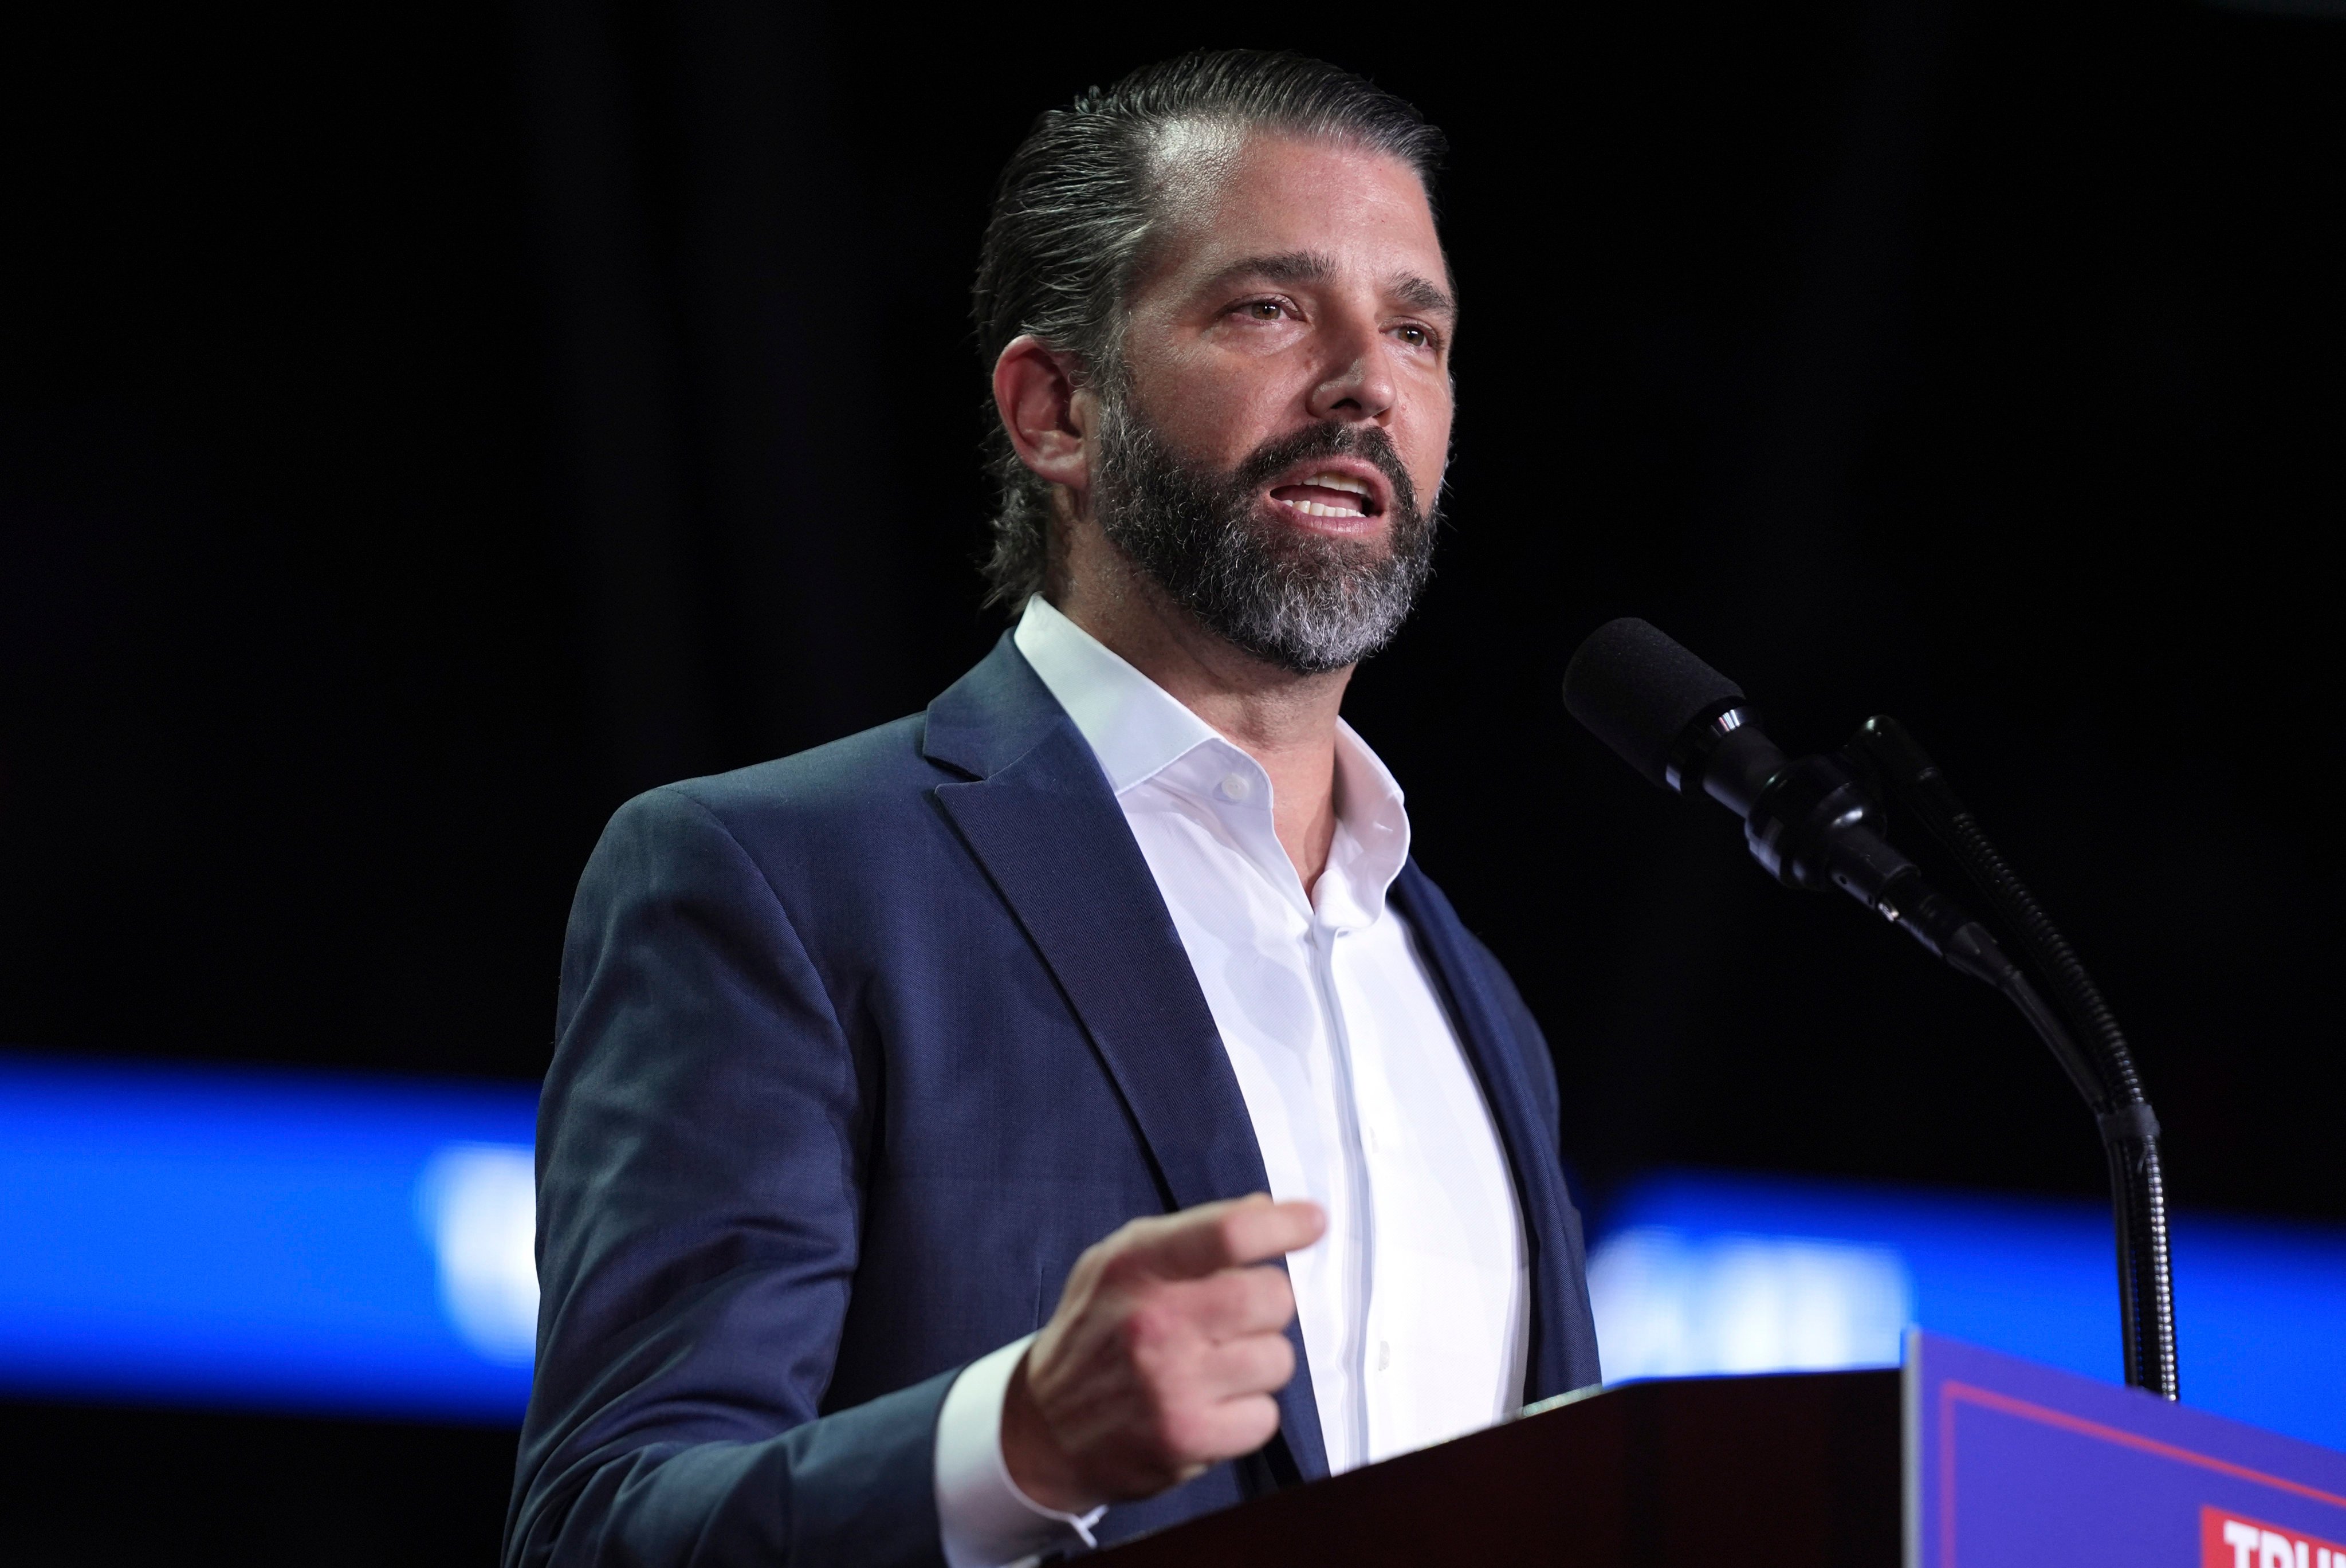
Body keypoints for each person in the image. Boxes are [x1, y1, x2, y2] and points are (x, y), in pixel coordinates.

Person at [505, 49, 1600, 1568]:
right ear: (1057, 407)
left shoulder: (1475, 999)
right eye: (1272, 309)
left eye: (1417, 330)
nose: (1366, 378)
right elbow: (599, 1529)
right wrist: (1014, 1437)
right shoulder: (777, 879)